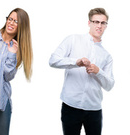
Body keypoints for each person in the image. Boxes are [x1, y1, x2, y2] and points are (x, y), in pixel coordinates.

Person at [48, 7, 115, 135]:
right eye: (96, 22)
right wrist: (75, 62)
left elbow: (110, 85)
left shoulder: (107, 56)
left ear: (106, 25)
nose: (99, 26)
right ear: (89, 23)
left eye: (103, 23)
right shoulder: (73, 39)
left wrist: (98, 71)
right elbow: (53, 60)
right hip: (71, 106)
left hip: (94, 109)